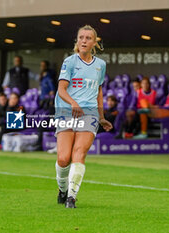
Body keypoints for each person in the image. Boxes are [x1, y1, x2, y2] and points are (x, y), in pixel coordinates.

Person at [54, 25, 112, 208]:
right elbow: (61, 89)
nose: (84, 41)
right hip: (66, 111)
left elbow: (99, 91)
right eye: (81, 38)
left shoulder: (100, 65)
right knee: (64, 158)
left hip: (89, 113)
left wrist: (101, 116)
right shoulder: (69, 62)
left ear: (94, 42)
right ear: (77, 41)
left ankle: (71, 197)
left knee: (79, 153)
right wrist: (73, 103)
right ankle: (62, 190)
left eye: (88, 38)